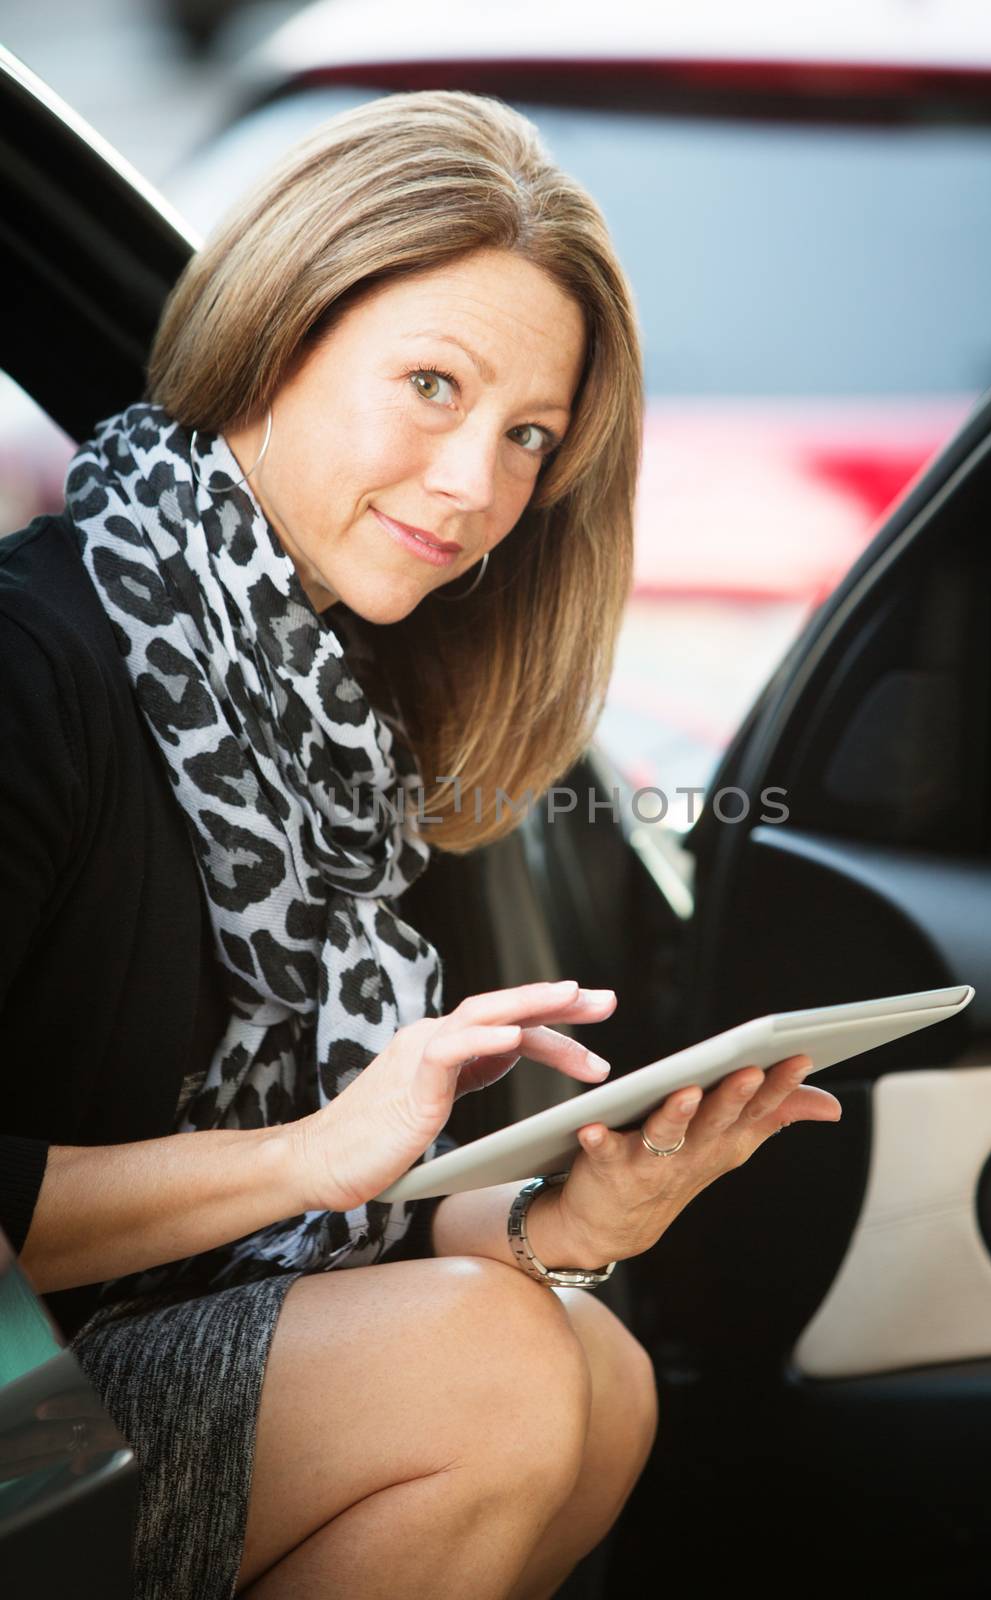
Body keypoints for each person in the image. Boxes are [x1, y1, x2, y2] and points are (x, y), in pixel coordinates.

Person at [0, 88, 842, 1599]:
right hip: (23, 1392)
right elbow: (301, 1179)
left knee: (591, 1360)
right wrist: (307, 1155)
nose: (475, 488)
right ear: (275, 333)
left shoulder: (339, 715)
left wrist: (570, 1221)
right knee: (485, 1361)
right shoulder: (29, 662)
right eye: (432, 386)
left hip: (109, 1360)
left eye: (527, 436)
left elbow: (335, 1225)